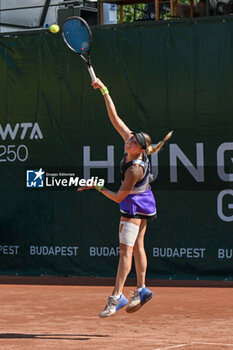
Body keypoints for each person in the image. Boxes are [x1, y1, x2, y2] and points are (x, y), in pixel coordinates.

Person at [78, 78, 173, 318]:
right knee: (139, 246)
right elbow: (115, 118)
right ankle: (141, 289)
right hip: (146, 201)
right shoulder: (134, 146)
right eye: (130, 138)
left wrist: (96, 186)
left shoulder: (134, 170)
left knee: (125, 251)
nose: (127, 140)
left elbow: (120, 196)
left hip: (132, 205)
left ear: (139, 150)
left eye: (132, 141)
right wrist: (105, 91)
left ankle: (116, 296)